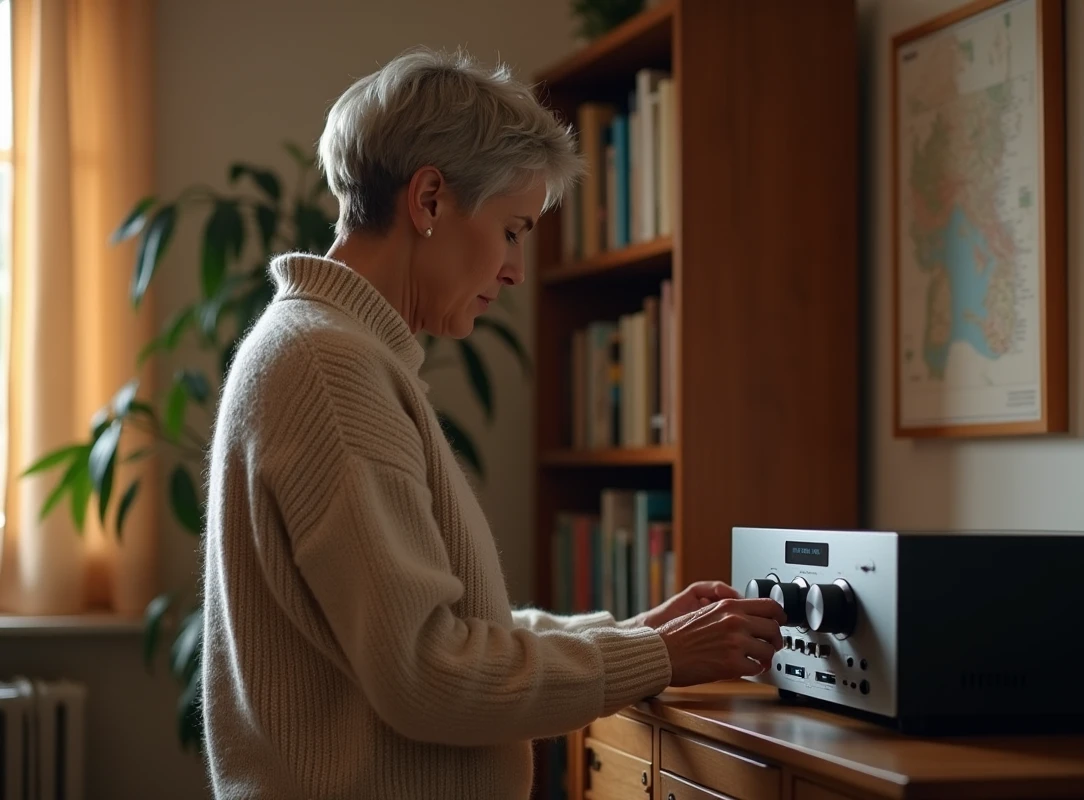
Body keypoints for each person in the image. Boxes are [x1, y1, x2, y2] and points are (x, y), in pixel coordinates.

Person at [201, 46, 786, 799]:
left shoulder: (321, 348)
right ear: (430, 200)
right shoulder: (330, 367)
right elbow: (429, 675)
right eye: (512, 230)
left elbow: (448, 631)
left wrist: (640, 638)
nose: (514, 270)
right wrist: (659, 656)